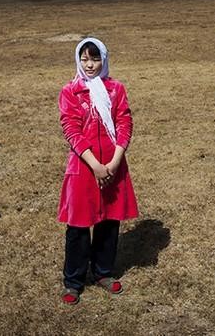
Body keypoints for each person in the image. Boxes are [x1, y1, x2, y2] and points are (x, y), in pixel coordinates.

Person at [57, 37, 138, 305]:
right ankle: (74, 281)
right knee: (79, 226)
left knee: (109, 221)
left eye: (95, 59)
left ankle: (103, 271)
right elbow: (72, 130)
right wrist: (95, 165)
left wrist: (114, 162)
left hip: (113, 164)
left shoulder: (116, 89)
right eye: (85, 59)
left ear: (104, 59)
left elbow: (124, 122)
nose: (90, 65)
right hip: (84, 167)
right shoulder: (71, 91)